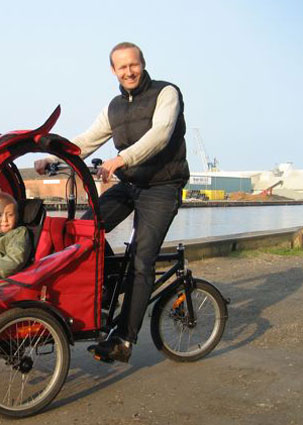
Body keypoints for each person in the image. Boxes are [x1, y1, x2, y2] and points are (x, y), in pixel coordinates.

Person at [34, 42, 189, 363]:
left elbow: (160, 134)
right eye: (122, 67)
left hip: (162, 187)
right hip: (130, 183)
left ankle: (124, 340)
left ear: (143, 64)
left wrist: (121, 159)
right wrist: (53, 157)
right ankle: (106, 288)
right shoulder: (114, 107)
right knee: (84, 230)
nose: (129, 71)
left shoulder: (166, 93)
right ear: (113, 71)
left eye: (134, 65)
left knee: (142, 261)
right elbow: (88, 140)